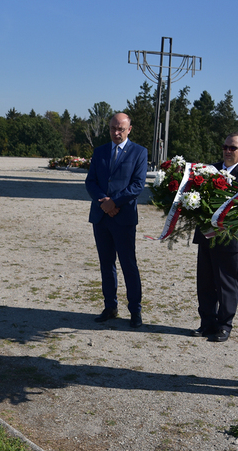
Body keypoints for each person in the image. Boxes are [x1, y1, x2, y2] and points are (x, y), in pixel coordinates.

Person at [193, 133, 238, 342]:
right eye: (225, 147)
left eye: (233, 148)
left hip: (229, 238)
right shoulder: (209, 171)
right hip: (206, 235)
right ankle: (207, 323)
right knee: (205, 282)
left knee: (226, 283)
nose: (228, 151)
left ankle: (224, 325)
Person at [85, 112, 148, 328]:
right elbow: (91, 181)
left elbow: (138, 185)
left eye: (121, 128)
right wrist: (104, 202)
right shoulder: (100, 151)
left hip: (123, 217)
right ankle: (110, 306)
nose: (116, 132)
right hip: (101, 217)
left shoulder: (139, 152)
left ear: (129, 129)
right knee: (106, 264)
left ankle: (135, 310)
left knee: (128, 264)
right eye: (113, 128)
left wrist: (115, 202)